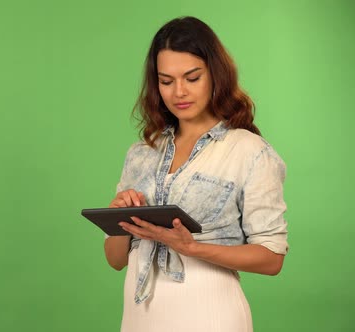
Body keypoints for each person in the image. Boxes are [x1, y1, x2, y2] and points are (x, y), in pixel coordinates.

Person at [103, 16, 288, 332]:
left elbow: (272, 258)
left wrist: (191, 247)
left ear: (216, 74)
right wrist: (121, 218)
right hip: (138, 319)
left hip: (210, 316)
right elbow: (116, 260)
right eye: (166, 81)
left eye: (192, 77)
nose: (179, 92)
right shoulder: (141, 153)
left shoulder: (247, 150)